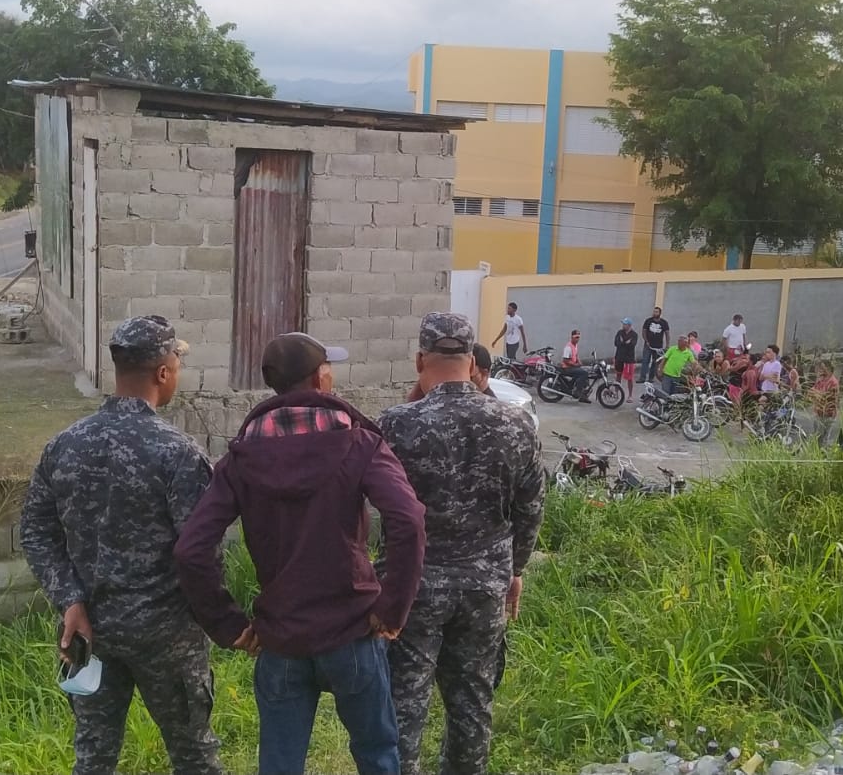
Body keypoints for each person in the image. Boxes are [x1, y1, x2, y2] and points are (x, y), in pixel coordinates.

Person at [174, 333, 424, 775]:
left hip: (282, 640)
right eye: (330, 367)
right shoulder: (359, 443)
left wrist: (228, 625)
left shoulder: (241, 459)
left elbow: (192, 550)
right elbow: (408, 519)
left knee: (279, 765)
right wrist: (393, 608)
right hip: (353, 633)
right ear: (320, 377)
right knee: (379, 756)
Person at [19, 315, 223, 775]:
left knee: (93, 757)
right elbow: (203, 552)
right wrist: (218, 618)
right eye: (178, 361)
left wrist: (69, 600)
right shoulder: (178, 452)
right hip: (166, 636)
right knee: (194, 756)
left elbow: (35, 530)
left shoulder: (64, 446)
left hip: (90, 632)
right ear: (164, 372)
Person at [379, 313, 545, 775]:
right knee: (472, 702)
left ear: (419, 359)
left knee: (403, 705)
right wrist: (515, 570)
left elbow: (373, 504)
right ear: (473, 361)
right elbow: (530, 508)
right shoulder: (515, 424)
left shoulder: (396, 424)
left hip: (413, 587)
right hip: (485, 583)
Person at [810, 363, 841, 445]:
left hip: (827, 414)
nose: (821, 370)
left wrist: (817, 394)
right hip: (818, 412)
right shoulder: (821, 380)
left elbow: (824, 396)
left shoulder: (833, 383)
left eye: (823, 368)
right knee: (816, 436)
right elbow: (810, 392)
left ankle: (822, 456)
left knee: (823, 438)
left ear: (829, 369)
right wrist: (817, 394)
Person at [558, 329, 592, 402]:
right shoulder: (568, 347)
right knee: (584, 373)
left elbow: (576, 355)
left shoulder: (575, 345)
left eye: (578, 337)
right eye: (576, 337)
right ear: (572, 337)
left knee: (586, 371)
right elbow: (565, 360)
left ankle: (583, 395)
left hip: (572, 366)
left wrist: (579, 362)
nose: (577, 339)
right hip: (567, 368)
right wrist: (576, 364)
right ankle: (577, 391)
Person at [613, 318, 639, 402]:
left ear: (629, 325)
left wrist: (622, 343)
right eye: (623, 324)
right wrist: (625, 343)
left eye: (625, 324)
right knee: (618, 375)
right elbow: (616, 343)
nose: (623, 326)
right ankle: (616, 393)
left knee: (629, 378)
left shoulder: (634, 334)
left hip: (629, 359)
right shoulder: (619, 332)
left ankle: (630, 395)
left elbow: (632, 345)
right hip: (619, 357)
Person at [641, 306, 670, 380]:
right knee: (645, 361)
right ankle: (642, 377)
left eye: (656, 312)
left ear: (660, 313)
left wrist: (667, 345)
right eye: (654, 311)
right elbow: (644, 331)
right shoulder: (648, 321)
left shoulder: (664, 323)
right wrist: (646, 341)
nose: (654, 313)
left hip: (658, 346)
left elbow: (667, 334)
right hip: (648, 345)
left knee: (655, 362)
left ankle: (651, 378)